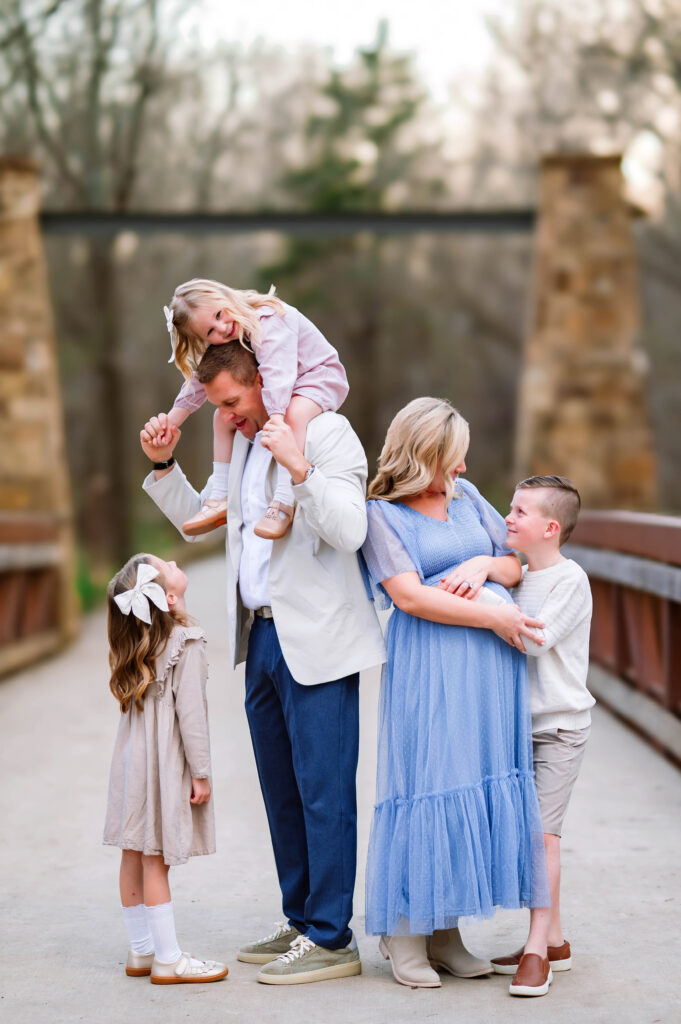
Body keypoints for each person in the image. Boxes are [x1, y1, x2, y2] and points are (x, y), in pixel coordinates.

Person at [139, 341, 386, 986]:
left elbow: (350, 531)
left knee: (325, 791)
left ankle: (333, 937)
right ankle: (302, 919)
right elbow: (202, 520)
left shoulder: (328, 433)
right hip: (262, 641)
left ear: (261, 381)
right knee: (281, 793)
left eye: (232, 403)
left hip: (319, 640)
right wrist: (164, 463)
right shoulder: (244, 445)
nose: (227, 417)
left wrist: (299, 467)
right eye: (217, 407)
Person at [359, 397, 550, 990]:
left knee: (470, 775)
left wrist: (484, 568)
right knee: (429, 782)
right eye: (455, 460)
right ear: (426, 456)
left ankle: (446, 931)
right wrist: (494, 619)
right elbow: (409, 597)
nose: (464, 471)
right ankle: (406, 930)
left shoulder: (466, 499)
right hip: (433, 665)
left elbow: (517, 562)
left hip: (487, 673)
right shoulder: (381, 515)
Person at [103, 553, 228, 985]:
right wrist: (201, 772)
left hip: (131, 761)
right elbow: (190, 715)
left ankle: (142, 952)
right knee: (157, 858)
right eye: (167, 565)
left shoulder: (138, 644)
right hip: (163, 762)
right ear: (169, 596)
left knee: (133, 853)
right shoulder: (185, 641)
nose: (175, 559)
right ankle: (169, 959)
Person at [490, 475, 594, 997]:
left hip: (559, 727)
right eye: (510, 508)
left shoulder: (569, 581)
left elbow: (534, 641)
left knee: (542, 838)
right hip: (519, 727)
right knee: (532, 836)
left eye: (520, 511)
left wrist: (484, 606)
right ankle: (554, 940)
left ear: (551, 528)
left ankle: (536, 953)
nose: (508, 518)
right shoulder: (519, 575)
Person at [150, 279, 348, 539]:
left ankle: (284, 501)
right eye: (210, 331)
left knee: (293, 416)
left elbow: (277, 375)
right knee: (220, 420)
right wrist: (173, 420)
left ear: (226, 298)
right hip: (282, 388)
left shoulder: (270, 319)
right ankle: (218, 497)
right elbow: (202, 380)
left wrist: (277, 419)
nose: (222, 328)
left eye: (220, 314)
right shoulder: (230, 336)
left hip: (316, 377)